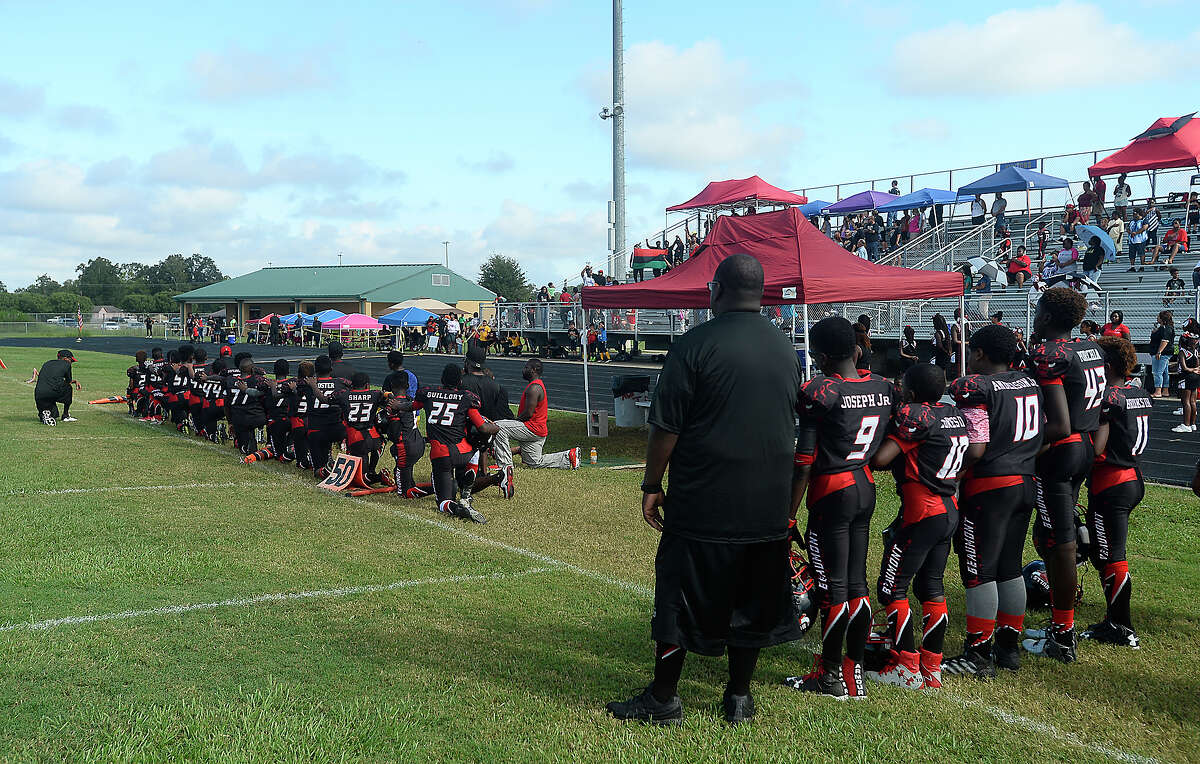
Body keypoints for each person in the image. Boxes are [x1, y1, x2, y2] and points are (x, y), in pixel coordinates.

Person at [607, 254, 803, 725]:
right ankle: (738, 697)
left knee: (677, 593)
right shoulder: (785, 348)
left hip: (704, 499)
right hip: (768, 503)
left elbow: (665, 427)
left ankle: (664, 697)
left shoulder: (693, 346)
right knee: (751, 599)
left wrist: (652, 484)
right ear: (761, 295)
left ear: (715, 291)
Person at [783, 316, 897, 700]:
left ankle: (830, 676)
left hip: (832, 489)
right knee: (857, 586)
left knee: (832, 589)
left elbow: (803, 461)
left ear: (822, 355)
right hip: (864, 485)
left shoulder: (822, 391)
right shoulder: (882, 385)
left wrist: (789, 513)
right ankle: (854, 671)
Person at [943, 324, 1043, 679]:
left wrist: (952, 473)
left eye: (973, 351)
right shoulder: (1028, 381)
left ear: (981, 353)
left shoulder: (977, 387)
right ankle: (1007, 648)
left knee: (979, 569)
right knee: (1010, 567)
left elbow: (977, 446)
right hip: (1025, 481)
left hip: (990, 485)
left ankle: (978, 652)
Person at [866, 364, 966, 690]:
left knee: (891, 588)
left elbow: (881, 459)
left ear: (910, 392)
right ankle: (931, 667)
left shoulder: (915, 415)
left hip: (923, 511)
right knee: (930, 587)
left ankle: (907, 666)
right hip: (949, 506)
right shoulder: (951, 413)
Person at [1022, 288, 1103, 663]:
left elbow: (1057, 424)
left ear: (1047, 317)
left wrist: (1021, 451)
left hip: (1061, 450)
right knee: (1054, 537)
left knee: (1061, 543)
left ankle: (1062, 633)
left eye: (1038, 311)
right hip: (1084, 445)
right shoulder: (1091, 349)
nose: (1035, 317)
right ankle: (1061, 623)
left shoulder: (1048, 354)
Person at [1082, 337, 1149, 648]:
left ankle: (1122, 627)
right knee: (1106, 552)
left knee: (1112, 556)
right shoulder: (1139, 391)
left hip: (1111, 481)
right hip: (1133, 476)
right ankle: (1115, 620)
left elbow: (1096, 446)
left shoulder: (1108, 397)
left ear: (1105, 366)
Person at [407, 364, 498, 523]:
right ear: (460, 382)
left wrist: (396, 406)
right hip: (463, 453)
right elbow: (483, 427)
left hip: (441, 455)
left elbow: (410, 406)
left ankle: (456, 508)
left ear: (442, 379)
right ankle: (466, 495)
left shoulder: (428, 394)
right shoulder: (466, 398)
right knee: (476, 448)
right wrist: (496, 427)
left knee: (443, 502)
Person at [491, 358, 580, 498]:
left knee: (498, 426)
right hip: (539, 431)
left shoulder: (534, 387)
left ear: (534, 370)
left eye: (526, 367)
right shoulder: (536, 385)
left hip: (531, 428)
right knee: (534, 462)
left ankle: (504, 467)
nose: (523, 370)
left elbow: (528, 413)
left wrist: (514, 422)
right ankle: (568, 456)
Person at [381, 353, 429, 498]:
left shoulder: (393, 397)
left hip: (404, 436)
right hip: (416, 427)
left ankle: (410, 487)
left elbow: (391, 427)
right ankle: (411, 481)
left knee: (398, 451)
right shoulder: (412, 377)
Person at [34, 349, 80, 426]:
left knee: (52, 414)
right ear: (65, 358)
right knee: (68, 388)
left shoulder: (47, 363)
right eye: (71, 360)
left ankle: (45, 415)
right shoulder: (66, 364)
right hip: (52, 392)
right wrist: (73, 382)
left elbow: (49, 378)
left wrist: (73, 381)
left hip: (39, 394)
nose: (71, 362)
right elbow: (68, 381)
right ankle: (65, 415)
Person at [1174, 334, 1200, 433]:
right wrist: (1195, 370)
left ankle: (1186, 425)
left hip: (1185, 377)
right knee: (1193, 401)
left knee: (1186, 402)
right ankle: (1193, 424)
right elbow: (1197, 365)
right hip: (1195, 378)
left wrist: (1192, 370)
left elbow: (1184, 368)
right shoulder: (1195, 351)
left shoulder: (1182, 352)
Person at [1149, 311, 1175, 398]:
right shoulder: (1164, 328)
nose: (1157, 318)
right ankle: (1165, 391)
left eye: (1158, 316)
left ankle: (1158, 391)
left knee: (1157, 372)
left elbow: (1165, 340)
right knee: (1164, 372)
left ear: (1163, 318)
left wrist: (1159, 351)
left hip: (1162, 353)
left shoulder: (1166, 328)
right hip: (1164, 353)